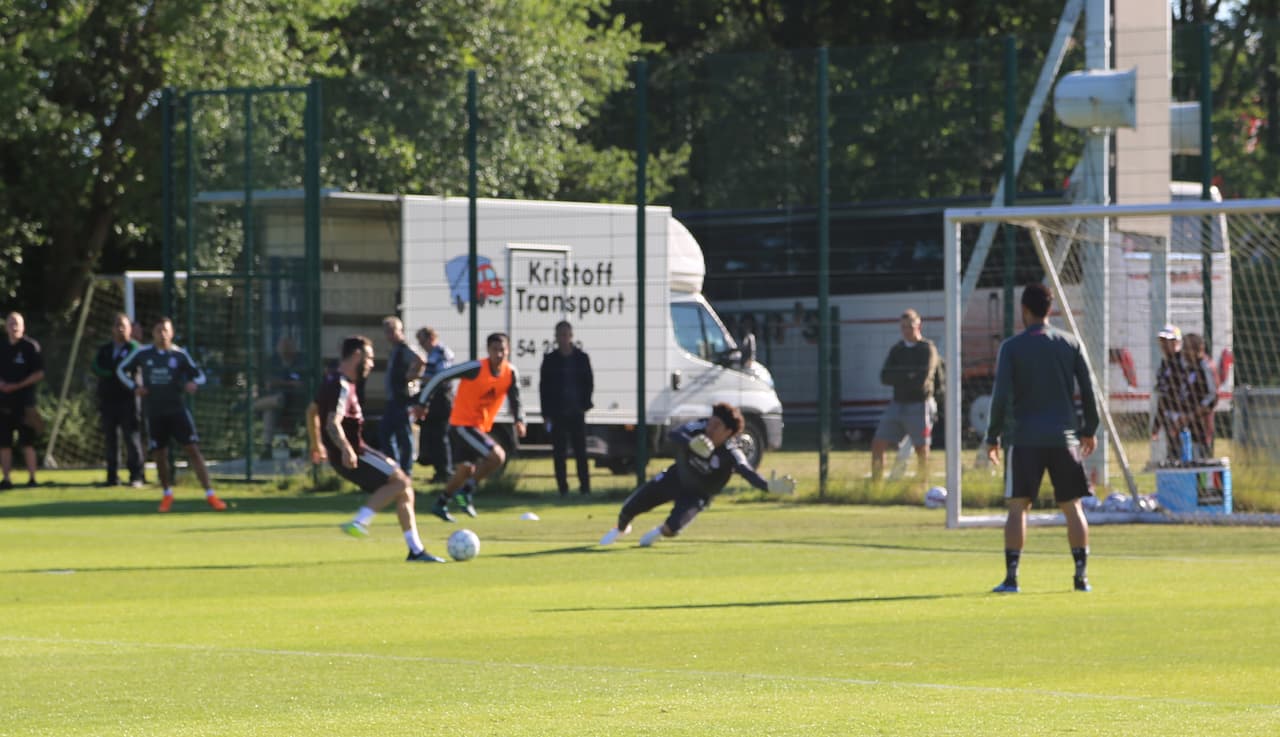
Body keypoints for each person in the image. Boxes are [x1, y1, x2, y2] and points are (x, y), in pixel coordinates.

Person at [982, 284, 1099, 594]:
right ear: (1050, 310)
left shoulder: (1012, 347)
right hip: (1065, 439)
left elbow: (1001, 394)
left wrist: (992, 435)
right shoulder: (1070, 343)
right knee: (1072, 507)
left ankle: (1011, 578)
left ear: (1025, 310)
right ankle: (1080, 577)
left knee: (1018, 506)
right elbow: (1089, 390)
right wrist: (1090, 428)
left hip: (1024, 439)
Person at [310, 335, 445, 563]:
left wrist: (316, 444)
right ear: (357, 356)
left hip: (354, 451)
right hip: (354, 453)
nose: (372, 364)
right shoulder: (341, 384)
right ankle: (360, 521)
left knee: (405, 490)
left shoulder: (334, 381)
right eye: (370, 357)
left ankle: (416, 549)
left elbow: (311, 410)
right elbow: (332, 421)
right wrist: (345, 449)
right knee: (401, 482)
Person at [598, 402, 796, 547]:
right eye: (711, 422)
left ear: (728, 432)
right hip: (675, 477)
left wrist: (769, 487)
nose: (710, 428)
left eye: (716, 426)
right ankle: (621, 529)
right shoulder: (700, 428)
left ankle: (659, 531)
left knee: (672, 528)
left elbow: (748, 473)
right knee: (629, 507)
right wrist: (689, 442)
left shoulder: (731, 453)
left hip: (698, 495)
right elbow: (675, 434)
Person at [116, 316, 226, 513]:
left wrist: (194, 384)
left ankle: (210, 494)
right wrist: (135, 386)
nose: (163, 334)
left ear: (172, 332)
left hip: (177, 410)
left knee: (192, 449)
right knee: (159, 453)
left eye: (166, 330)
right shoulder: (143, 353)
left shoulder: (179, 355)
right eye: (159, 331)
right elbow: (121, 370)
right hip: (155, 412)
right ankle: (167, 493)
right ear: (153, 334)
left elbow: (200, 376)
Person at [413, 332, 526, 522]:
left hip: (479, 426)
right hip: (462, 425)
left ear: (508, 351)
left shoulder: (510, 373)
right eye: (495, 350)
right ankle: (466, 491)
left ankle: (440, 503)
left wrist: (519, 420)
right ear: (488, 350)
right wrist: (423, 402)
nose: (499, 354)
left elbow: (515, 399)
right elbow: (441, 376)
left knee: (465, 470)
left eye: (503, 350)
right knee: (497, 456)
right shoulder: (475, 368)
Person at [870, 309, 943, 483]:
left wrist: (901, 376)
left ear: (918, 326)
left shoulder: (927, 348)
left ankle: (922, 484)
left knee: (921, 447)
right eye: (903, 327)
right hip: (898, 403)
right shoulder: (897, 349)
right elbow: (885, 376)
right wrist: (907, 375)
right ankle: (876, 485)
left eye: (909, 326)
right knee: (878, 443)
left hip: (920, 404)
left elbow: (922, 379)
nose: (906, 331)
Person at [90, 313, 146, 487]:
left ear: (130, 329)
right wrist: (112, 372)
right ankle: (112, 477)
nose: (120, 329)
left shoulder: (134, 348)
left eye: (124, 325)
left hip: (128, 399)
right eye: (117, 325)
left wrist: (117, 373)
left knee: (132, 437)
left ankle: (136, 476)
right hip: (108, 399)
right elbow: (96, 367)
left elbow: (132, 368)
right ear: (112, 329)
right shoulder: (105, 349)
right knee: (110, 439)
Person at [539, 320, 593, 496]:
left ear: (571, 336)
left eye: (566, 334)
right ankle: (563, 488)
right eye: (560, 335)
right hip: (557, 413)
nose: (563, 338)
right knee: (559, 453)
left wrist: (585, 404)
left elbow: (589, 383)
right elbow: (543, 388)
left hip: (576, 411)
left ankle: (585, 487)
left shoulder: (581, 358)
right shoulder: (550, 360)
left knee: (581, 452)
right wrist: (546, 414)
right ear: (556, 337)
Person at [0, 312, 45, 489]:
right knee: (4, 442)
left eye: (17, 323)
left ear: (23, 326)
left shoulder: (30, 347)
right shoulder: (1, 346)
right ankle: (6, 479)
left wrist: (18, 385)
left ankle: (32, 478)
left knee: (27, 441)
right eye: (11, 323)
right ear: (6, 326)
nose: (14, 327)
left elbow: (39, 373)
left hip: (25, 403)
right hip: (3, 402)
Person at [379, 316, 425, 475]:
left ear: (401, 331)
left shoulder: (405, 348)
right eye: (387, 332)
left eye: (393, 331)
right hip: (393, 400)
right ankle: (394, 467)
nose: (390, 335)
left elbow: (421, 360)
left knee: (404, 435)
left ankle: (406, 470)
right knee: (386, 434)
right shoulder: (395, 350)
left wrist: (412, 375)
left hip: (402, 400)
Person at [254, 334, 306, 460]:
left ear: (294, 348)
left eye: (288, 346)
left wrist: (282, 383)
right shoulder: (272, 361)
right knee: (269, 411)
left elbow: (301, 383)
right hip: (277, 399)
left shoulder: (301, 360)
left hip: (296, 401)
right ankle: (267, 448)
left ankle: (251, 405)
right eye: (282, 346)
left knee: (276, 401)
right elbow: (269, 382)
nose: (285, 349)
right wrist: (288, 383)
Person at [414, 326, 455, 483]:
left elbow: (441, 378)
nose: (421, 345)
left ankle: (445, 472)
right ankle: (439, 472)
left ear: (430, 338)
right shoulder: (431, 354)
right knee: (432, 437)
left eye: (422, 341)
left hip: (441, 398)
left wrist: (418, 377)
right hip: (433, 399)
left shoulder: (442, 353)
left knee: (440, 437)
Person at [1152, 323, 1186, 464]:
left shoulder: (1183, 363)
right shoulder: (1165, 364)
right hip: (1169, 415)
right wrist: (1157, 423)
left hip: (1184, 417)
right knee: (1173, 453)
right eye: (1163, 341)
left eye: (1169, 341)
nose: (1165, 345)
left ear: (1177, 342)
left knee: (1185, 453)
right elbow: (1163, 395)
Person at [1180, 332, 1218, 460]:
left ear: (1199, 349)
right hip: (1187, 423)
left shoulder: (1205, 366)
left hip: (1201, 425)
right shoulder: (1189, 366)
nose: (1183, 351)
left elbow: (1213, 396)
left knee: (1200, 461)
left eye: (1187, 348)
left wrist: (1194, 414)